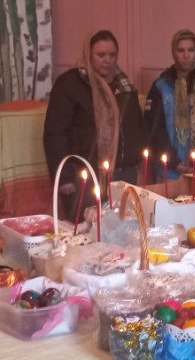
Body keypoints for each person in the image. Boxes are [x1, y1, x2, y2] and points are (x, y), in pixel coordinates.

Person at [43, 30, 147, 220]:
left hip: (122, 173)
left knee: (122, 229)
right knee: (85, 229)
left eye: (112, 55)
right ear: (88, 54)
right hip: (84, 174)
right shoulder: (70, 85)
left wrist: (138, 163)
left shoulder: (123, 84)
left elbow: (136, 125)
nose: (107, 60)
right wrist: (64, 177)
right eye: (101, 55)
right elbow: (56, 132)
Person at [145, 29, 195, 181]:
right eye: (181, 50)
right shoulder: (161, 86)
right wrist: (173, 161)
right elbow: (154, 128)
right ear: (173, 52)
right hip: (169, 170)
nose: (186, 55)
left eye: (191, 50)